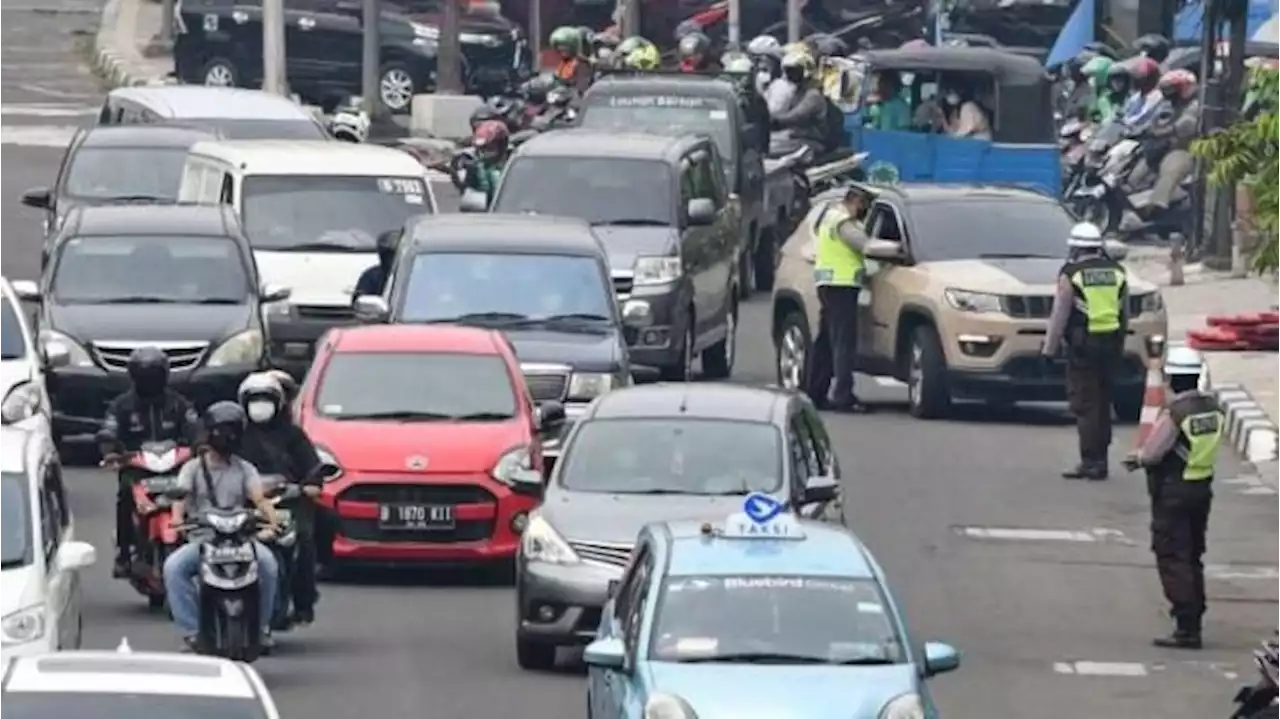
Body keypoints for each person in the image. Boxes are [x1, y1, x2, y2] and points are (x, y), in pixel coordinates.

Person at [163, 402, 281, 652]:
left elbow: (259, 499)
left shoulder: (245, 468)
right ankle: (192, 631)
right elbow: (180, 498)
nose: (227, 437)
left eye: (233, 431)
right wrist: (177, 521)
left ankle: (261, 629)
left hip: (241, 539)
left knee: (269, 566)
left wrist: (273, 520)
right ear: (208, 433)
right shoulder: (192, 468)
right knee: (173, 568)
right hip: (203, 539)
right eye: (222, 431)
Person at [1124, 345, 1221, 649]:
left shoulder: (1177, 413)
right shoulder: (1212, 409)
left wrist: (1136, 459)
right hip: (1201, 487)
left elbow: (1153, 453)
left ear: (1172, 378)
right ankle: (1194, 616)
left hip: (1174, 492)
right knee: (1192, 555)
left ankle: (1185, 625)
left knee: (1172, 556)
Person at [99, 346, 201, 578]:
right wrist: (110, 450)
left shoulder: (178, 404)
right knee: (125, 496)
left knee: (194, 495)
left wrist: (200, 445)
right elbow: (108, 430)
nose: (150, 380)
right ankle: (124, 553)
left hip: (175, 466)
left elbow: (196, 427)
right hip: (137, 469)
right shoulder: (122, 405)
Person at [1042, 222, 1128, 480]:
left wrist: (1049, 350)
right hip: (1111, 345)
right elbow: (1124, 313)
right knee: (1103, 402)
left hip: (1083, 348)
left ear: (1076, 248)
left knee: (1085, 403)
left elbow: (1060, 315)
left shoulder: (1072, 274)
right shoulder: (1118, 272)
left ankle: (1091, 462)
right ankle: (1101, 457)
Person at [237, 372, 322, 626]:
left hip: (285, 506)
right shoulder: (236, 434)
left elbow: (313, 473)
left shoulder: (293, 436)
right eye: (255, 399)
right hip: (243, 507)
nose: (260, 405)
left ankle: (304, 601)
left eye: (266, 399)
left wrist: (307, 487)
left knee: (305, 541)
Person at [808, 187, 873, 413]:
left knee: (826, 341)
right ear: (853, 200)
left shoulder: (829, 218)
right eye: (863, 204)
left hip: (828, 284)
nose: (864, 209)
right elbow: (865, 245)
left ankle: (815, 392)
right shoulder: (843, 222)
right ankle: (843, 395)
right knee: (844, 342)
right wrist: (896, 248)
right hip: (841, 287)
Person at [1130, 70, 1200, 215]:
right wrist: (1142, 130)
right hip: (1163, 146)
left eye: (1172, 89)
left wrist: (1161, 132)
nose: (1169, 94)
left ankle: (1157, 207)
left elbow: (1184, 126)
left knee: (1171, 169)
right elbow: (1153, 120)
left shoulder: (1195, 106)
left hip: (1186, 149)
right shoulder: (1169, 105)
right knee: (1137, 172)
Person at [771, 51, 828, 154]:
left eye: (793, 71)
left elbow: (797, 116)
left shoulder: (813, 94)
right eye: (788, 71)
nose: (789, 74)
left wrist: (773, 120)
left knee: (770, 147)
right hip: (797, 137)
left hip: (812, 142)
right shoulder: (796, 91)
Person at [461, 120, 511, 207]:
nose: (484, 153)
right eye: (481, 149)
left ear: (501, 146)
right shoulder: (475, 168)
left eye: (490, 148)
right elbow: (468, 198)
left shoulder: (511, 168)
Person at [352, 229, 401, 303]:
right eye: (388, 256)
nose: (391, 260)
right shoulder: (371, 277)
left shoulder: (412, 276)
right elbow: (360, 302)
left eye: (395, 255)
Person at [1118, 55, 1162, 128]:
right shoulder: (1136, 95)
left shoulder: (1155, 96)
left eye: (1140, 80)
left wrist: (1126, 122)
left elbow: (1142, 116)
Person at [549, 26, 592, 93]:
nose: (561, 48)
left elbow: (581, 88)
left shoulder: (581, 63)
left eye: (565, 46)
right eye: (558, 45)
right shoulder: (564, 62)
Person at [1080, 55, 1118, 123]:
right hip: (1103, 81)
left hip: (1103, 82)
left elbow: (1086, 73)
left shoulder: (1098, 63)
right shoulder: (1101, 62)